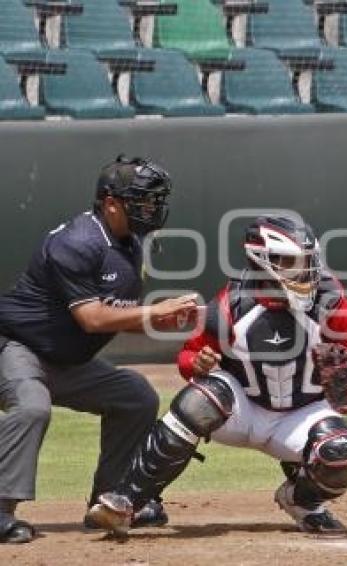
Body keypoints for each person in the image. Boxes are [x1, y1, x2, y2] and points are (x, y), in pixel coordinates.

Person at [85, 213, 347, 536]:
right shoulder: (229, 306)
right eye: (293, 262)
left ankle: (303, 502)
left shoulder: (331, 303)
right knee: (200, 400)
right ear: (264, 261)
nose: (306, 271)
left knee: (345, 450)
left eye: (308, 261)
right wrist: (199, 363)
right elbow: (187, 358)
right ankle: (129, 501)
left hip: (301, 415)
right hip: (243, 410)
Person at [0, 156, 198, 544]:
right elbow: (91, 318)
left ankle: (111, 503)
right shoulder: (76, 242)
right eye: (142, 201)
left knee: (135, 396)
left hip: (62, 358)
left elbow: (118, 313)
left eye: (154, 200)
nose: (152, 209)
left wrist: (157, 319)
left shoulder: (131, 241)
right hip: (13, 345)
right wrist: (154, 311)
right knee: (32, 406)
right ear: (110, 203)